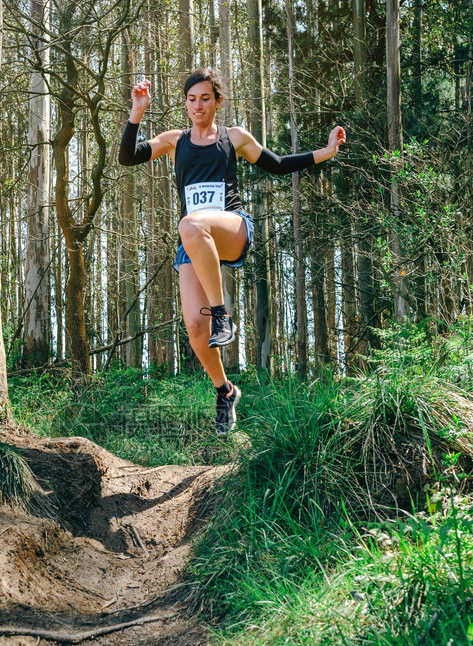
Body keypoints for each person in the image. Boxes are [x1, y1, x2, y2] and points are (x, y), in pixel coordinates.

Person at [119, 67, 346, 435]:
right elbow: (127, 158)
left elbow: (278, 165)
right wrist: (137, 112)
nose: (197, 105)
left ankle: (222, 314)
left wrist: (327, 151)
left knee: (191, 224)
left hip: (232, 228)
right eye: (191, 99)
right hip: (193, 243)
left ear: (217, 101)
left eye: (205, 98)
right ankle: (225, 391)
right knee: (194, 328)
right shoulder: (175, 140)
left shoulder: (234, 137)